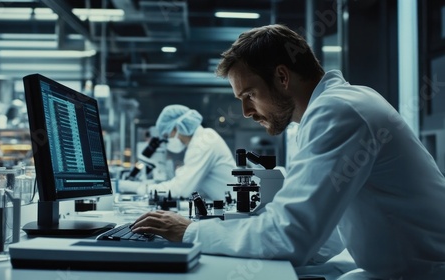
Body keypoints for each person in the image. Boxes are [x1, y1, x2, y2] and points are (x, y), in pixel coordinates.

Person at [131, 24, 445, 279]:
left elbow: (290, 237)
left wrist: (191, 232)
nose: (245, 112)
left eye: (250, 94)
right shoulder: (333, 109)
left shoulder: (339, 112)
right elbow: (322, 232)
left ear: (282, 77)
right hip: (400, 269)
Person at [124, 104, 236, 201]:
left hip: (238, 208)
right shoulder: (201, 140)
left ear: (178, 127)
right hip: (229, 204)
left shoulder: (203, 143)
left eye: (168, 136)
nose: (168, 141)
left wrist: (141, 188)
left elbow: (180, 189)